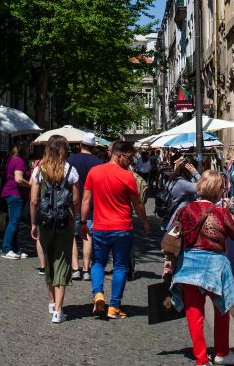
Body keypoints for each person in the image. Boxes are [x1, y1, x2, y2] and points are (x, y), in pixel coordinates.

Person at [170, 171, 234, 366]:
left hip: (189, 266)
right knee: (222, 310)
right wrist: (230, 214)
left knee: (195, 314)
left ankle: (201, 359)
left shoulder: (185, 210)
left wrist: (168, 262)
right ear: (218, 190)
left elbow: (172, 235)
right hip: (215, 267)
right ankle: (221, 352)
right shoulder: (221, 212)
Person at [80, 140, 149, 319]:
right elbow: (138, 203)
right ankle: (114, 307)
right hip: (122, 228)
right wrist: (145, 222)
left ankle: (98, 294)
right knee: (120, 267)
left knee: (98, 263)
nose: (130, 162)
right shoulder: (127, 176)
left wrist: (82, 222)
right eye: (128, 158)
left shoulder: (94, 172)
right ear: (118, 155)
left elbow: (86, 200)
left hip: (100, 227)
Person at [30, 136, 80, 323]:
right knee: (62, 261)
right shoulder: (71, 170)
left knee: (49, 261)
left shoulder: (39, 170)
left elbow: (34, 200)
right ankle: (59, 310)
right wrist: (73, 218)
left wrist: (34, 223)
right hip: (64, 221)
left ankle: (51, 302)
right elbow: (75, 199)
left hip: (45, 221)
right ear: (64, 150)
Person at [68, 134, 105, 280]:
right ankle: (86, 270)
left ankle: (75, 268)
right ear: (93, 146)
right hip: (92, 204)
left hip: (73, 202)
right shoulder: (99, 163)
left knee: (71, 235)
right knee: (87, 235)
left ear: (80, 144)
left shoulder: (70, 160)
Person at [0, 144, 31, 260]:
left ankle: (15, 248)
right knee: (14, 222)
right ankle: (6, 249)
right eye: (28, 148)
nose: (30, 150)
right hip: (15, 194)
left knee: (14, 222)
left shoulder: (12, 159)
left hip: (13, 194)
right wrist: (30, 185)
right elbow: (18, 179)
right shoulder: (19, 161)